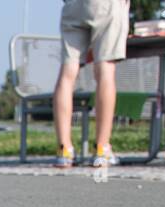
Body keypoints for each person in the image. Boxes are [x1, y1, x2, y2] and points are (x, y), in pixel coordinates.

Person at [52, 0, 129, 169]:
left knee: (67, 72)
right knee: (105, 69)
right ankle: (102, 149)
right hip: (107, 5)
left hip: (73, 6)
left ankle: (64, 150)